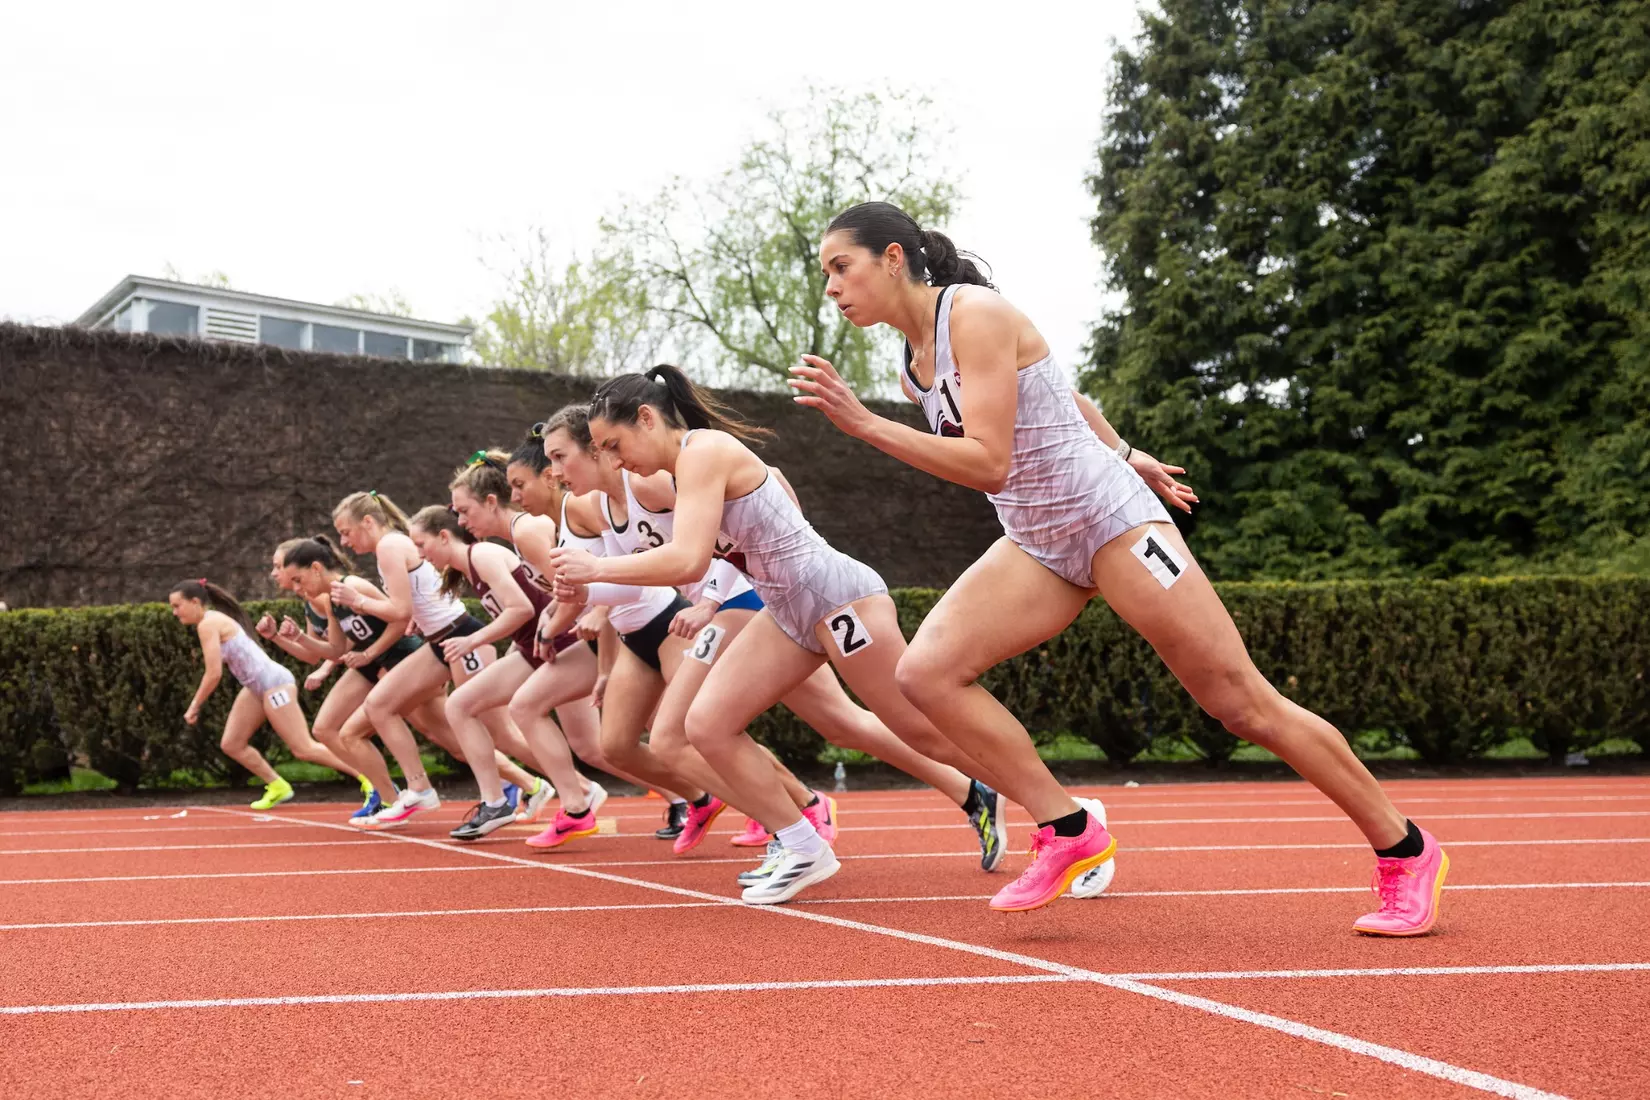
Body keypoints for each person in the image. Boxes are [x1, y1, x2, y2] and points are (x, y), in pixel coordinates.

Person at [786, 200, 1448, 931]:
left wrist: (864, 424)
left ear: (892, 258)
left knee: (1239, 703)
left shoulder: (973, 314)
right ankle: (1067, 828)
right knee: (923, 675)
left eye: (839, 268)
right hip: (1040, 543)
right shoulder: (914, 366)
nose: (832, 288)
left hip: (1112, 523)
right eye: (826, 275)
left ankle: (1407, 849)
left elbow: (990, 462)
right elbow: (1061, 395)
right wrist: (1128, 449)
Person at [549, 402, 1013, 883]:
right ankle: (960, 795)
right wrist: (586, 591)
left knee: (675, 735)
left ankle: (796, 820)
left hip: (749, 601)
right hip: (779, 605)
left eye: (563, 456)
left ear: (601, 447)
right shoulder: (601, 508)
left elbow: (750, 494)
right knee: (841, 723)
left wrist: (726, 589)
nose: (556, 473)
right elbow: (645, 577)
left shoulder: (657, 477)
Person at [330, 491, 549, 829]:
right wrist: (419, 615)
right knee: (382, 706)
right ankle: (421, 788)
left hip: (461, 637)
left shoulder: (390, 547)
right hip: (441, 643)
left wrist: (357, 600)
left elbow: (398, 612)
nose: (344, 542)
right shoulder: (394, 548)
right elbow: (414, 604)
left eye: (346, 532)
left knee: (499, 732)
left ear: (368, 522)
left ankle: (569, 784)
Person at [168, 578, 356, 810]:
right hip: (256, 687)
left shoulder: (208, 623)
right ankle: (277, 785)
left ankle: (369, 776)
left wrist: (195, 705)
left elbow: (213, 673)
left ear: (195, 601)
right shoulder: (212, 622)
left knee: (303, 748)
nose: (175, 612)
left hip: (274, 684)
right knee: (232, 744)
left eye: (177, 606)